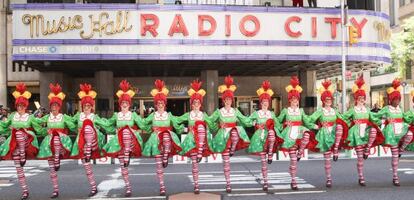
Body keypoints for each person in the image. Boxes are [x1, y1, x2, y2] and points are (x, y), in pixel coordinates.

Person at [139, 79, 184, 196]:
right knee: (158, 164)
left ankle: (166, 156)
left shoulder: (168, 115)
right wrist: (133, 122)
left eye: (162, 104)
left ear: (165, 104)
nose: (160, 105)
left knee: (166, 142)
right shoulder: (153, 115)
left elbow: (177, 122)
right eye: (158, 104)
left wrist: (186, 125)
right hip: (155, 139)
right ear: (156, 105)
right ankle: (162, 186)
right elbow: (144, 123)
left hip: (168, 138)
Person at [0, 83, 43, 200]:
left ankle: (23, 154)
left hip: (27, 141)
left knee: (19, 133)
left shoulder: (30, 117)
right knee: (18, 168)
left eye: (22, 105)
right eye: (18, 105)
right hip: (15, 143)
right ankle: (25, 191)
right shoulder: (12, 116)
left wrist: (47, 129)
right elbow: (3, 126)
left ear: (25, 106)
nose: (20, 107)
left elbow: (39, 129)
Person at [209, 75, 251, 193]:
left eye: (229, 99)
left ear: (232, 100)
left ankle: (233, 148)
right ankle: (228, 184)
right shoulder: (219, 112)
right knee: (226, 162)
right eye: (226, 99)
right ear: (223, 100)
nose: (228, 101)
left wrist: (255, 120)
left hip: (233, 135)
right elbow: (210, 120)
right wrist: (217, 125)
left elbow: (245, 120)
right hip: (223, 137)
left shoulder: (235, 111)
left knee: (234, 131)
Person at [102, 80, 144, 197]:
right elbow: (108, 125)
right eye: (122, 102)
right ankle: (128, 188)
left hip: (131, 141)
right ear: (120, 104)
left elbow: (143, 124)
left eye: (126, 102)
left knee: (126, 132)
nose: (124, 104)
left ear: (129, 104)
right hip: (119, 141)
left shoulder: (133, 115)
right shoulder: (116, 115)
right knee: (123, 167)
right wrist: (95, 121)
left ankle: (127, 153)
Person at [176, 80, 217, 194]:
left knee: (196, 162)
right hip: (191, 140)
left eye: (198, 103)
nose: (196, 105)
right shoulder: (188, 115)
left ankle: (197, 184)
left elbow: (212, 124)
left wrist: (219, 125)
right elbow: (176, 120)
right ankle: (196, 185)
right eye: (194, 103)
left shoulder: (203, 115)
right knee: (194, 163)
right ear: (191, 104)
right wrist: (183, 129)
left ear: (200, 104)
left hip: (202, 140)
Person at [342, 75, 384, 186]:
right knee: (360, 158)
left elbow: (374, 118)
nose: (362, 99)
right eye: (359, 98)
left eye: (363, 98)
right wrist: (347, 126)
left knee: (374, 131)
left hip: (366, 132)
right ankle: (361, 177)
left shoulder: (367, 110)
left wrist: (383, 119)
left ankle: (368, 149)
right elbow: (343, 118)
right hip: (356, 134)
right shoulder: (352, 110)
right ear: (356, 99)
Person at [36, 83, 77, 198]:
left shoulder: (63, 117)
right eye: (52, 105)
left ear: (59, 106)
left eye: (56, 105)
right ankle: (55, 190)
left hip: (61, 141)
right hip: (49, 143)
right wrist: (45, 131)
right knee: (51, 168)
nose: (54, 107)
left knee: (56, 138)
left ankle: (58, 157)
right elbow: (36, 124)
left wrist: (81, 127)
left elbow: (73, 125)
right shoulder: (47, 117)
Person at [277, 76, 316, 190]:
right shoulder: (285, 111)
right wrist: (284, 124)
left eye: (296, 99)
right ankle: (293, 181)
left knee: (307, 134)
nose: (295, 101)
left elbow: (308, 122)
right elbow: (278, 121)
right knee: (293, 161)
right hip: (289, 135)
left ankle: (301, 152)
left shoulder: (301, 111)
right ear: (290, 100)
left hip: (299, 132)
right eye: (293, 100)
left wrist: (316, 125)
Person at [308, 79, 348, 188]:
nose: (328, 101)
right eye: (326, 99)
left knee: (339, 126)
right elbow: (309, 120)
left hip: (335, 134)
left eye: (330, 99)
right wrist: (317, 126)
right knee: (327, 159)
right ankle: (329, 178)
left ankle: (335, 148)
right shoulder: (320, 111)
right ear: (323, 100)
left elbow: (343, 119)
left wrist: (355, 120)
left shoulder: (334, 111)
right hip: (324, 135)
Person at [374, 78, 413, 186]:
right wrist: (383, 120)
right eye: (395, 99)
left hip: (401, 129)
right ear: (391, 99)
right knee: (394, 156)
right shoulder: (387, 108)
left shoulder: (400, 109)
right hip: (391, 133)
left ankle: (402, 149)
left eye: (398, 99)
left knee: (410, 134)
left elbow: (406, 117)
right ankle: (395, 177)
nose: (397, 101)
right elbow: (376, 116)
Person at [70, 84, 107, 197]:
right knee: (87, 165)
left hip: (93, 141)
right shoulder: (78, 116)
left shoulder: (94, 117)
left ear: (91, 106)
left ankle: (89, 149)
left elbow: (105, 125)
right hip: (82, 142)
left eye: (88, 105)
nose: (86, 107)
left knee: (88, 127)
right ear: (82, 106)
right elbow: (70, 124)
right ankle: (93, 187)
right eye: (84, 105)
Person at [247, 80, 283, 191]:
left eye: (267, 101)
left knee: (272, 133)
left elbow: (278, 124)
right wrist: (255, 124)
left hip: (270, 135)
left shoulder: (271, 113)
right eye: (264, 101)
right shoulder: (256, 113)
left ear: (269, 102)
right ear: (261, 102)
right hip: (259, 136)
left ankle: (271, 153)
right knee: (263, 161)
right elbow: (248, 122)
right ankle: (265, 181)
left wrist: (286, 124)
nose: (265, 103)